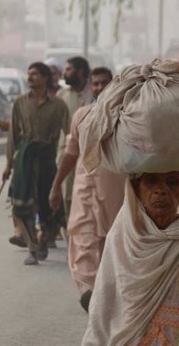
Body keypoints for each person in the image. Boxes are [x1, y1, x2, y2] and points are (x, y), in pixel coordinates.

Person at [82, 170, 179, 345]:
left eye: (172, 182)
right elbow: (105, 300)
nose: (161, 190)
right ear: (137, 190)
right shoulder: (121, 236)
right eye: (151, 182)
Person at [49, 67, 126, 312]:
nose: (99, 88)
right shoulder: (81, 116)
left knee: (110, 242)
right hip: (84, 188)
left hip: (114, 189)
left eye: (104, 83)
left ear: (113, 85)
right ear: (90, 87)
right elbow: (71, 155)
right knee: (80, 237)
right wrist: (55, 186)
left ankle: (105, 295)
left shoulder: (126, 118)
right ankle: (87, 292)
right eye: (95, 83)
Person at [3, 62, 69, 265]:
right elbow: (13, 135)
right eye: (29, 74)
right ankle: (32, 248)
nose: (30, 77)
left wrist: (73, 157)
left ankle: (43, 238)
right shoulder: (20, 103)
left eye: (35, 74)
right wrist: (8, 164)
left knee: (48, 204)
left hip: (47, 158)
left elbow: (70, 134)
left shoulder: (58, 105)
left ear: (45, 78)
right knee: (23, 203)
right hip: (25, 159)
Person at [56, 56, 92, 228]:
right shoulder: (61, 96)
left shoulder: (95, 92)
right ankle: (71, 234)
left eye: (68, 69)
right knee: (68, 195)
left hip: (91, 154)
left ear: (81, 72)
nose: (64, 73)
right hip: (67, 153)